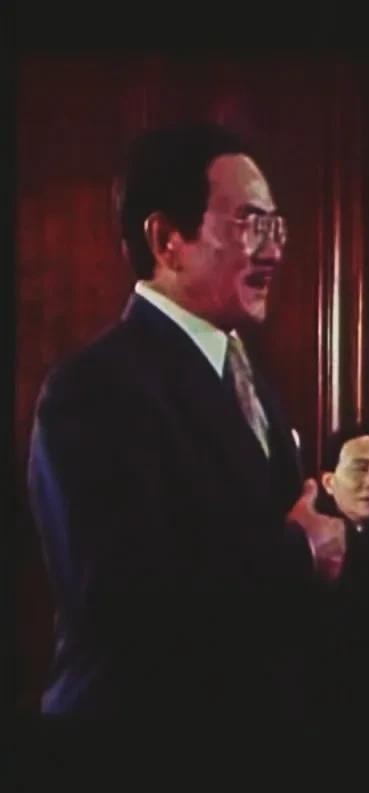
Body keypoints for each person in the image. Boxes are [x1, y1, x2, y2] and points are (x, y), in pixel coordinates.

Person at [27, 123, 344, 716]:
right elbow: (122, 601)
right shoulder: (92, 389)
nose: (274, 251)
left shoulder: (248, 375)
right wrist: (299, 551)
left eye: (276, 227)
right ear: (167, 239)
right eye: (250, 224)